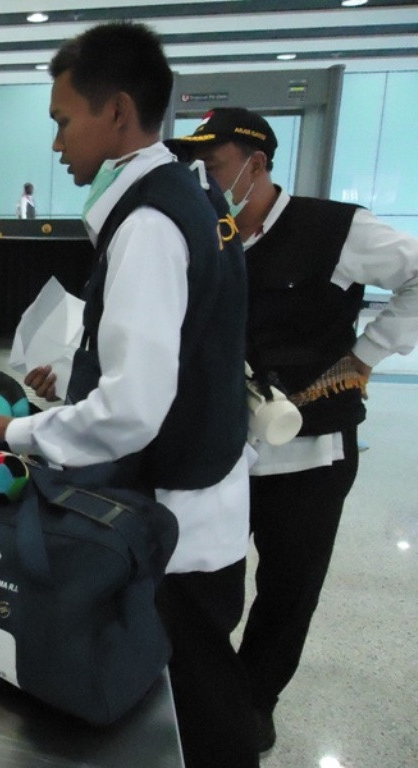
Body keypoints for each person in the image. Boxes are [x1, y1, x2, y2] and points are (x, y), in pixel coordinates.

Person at [0, 23, 259, 768]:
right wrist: (76, 376)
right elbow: (176, 349)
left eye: (64, 120)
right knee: (200, 690)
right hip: (207, 494)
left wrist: (17, 432)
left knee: (196, 707)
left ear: (118, 113)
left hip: (175, 523)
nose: (57, 142)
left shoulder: (149, 223)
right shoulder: (191, 189)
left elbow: (133, 411)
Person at [167, 107, 418, 752]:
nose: (203, 179)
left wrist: (367, 354)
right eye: (194, 166)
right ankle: (200, 692)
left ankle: (254, 699)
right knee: (198, 579)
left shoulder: (333, 228)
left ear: (256, 164)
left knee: (287, 588)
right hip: (218, 447)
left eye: (215, 165)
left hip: (306, 453)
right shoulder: (202, 232)